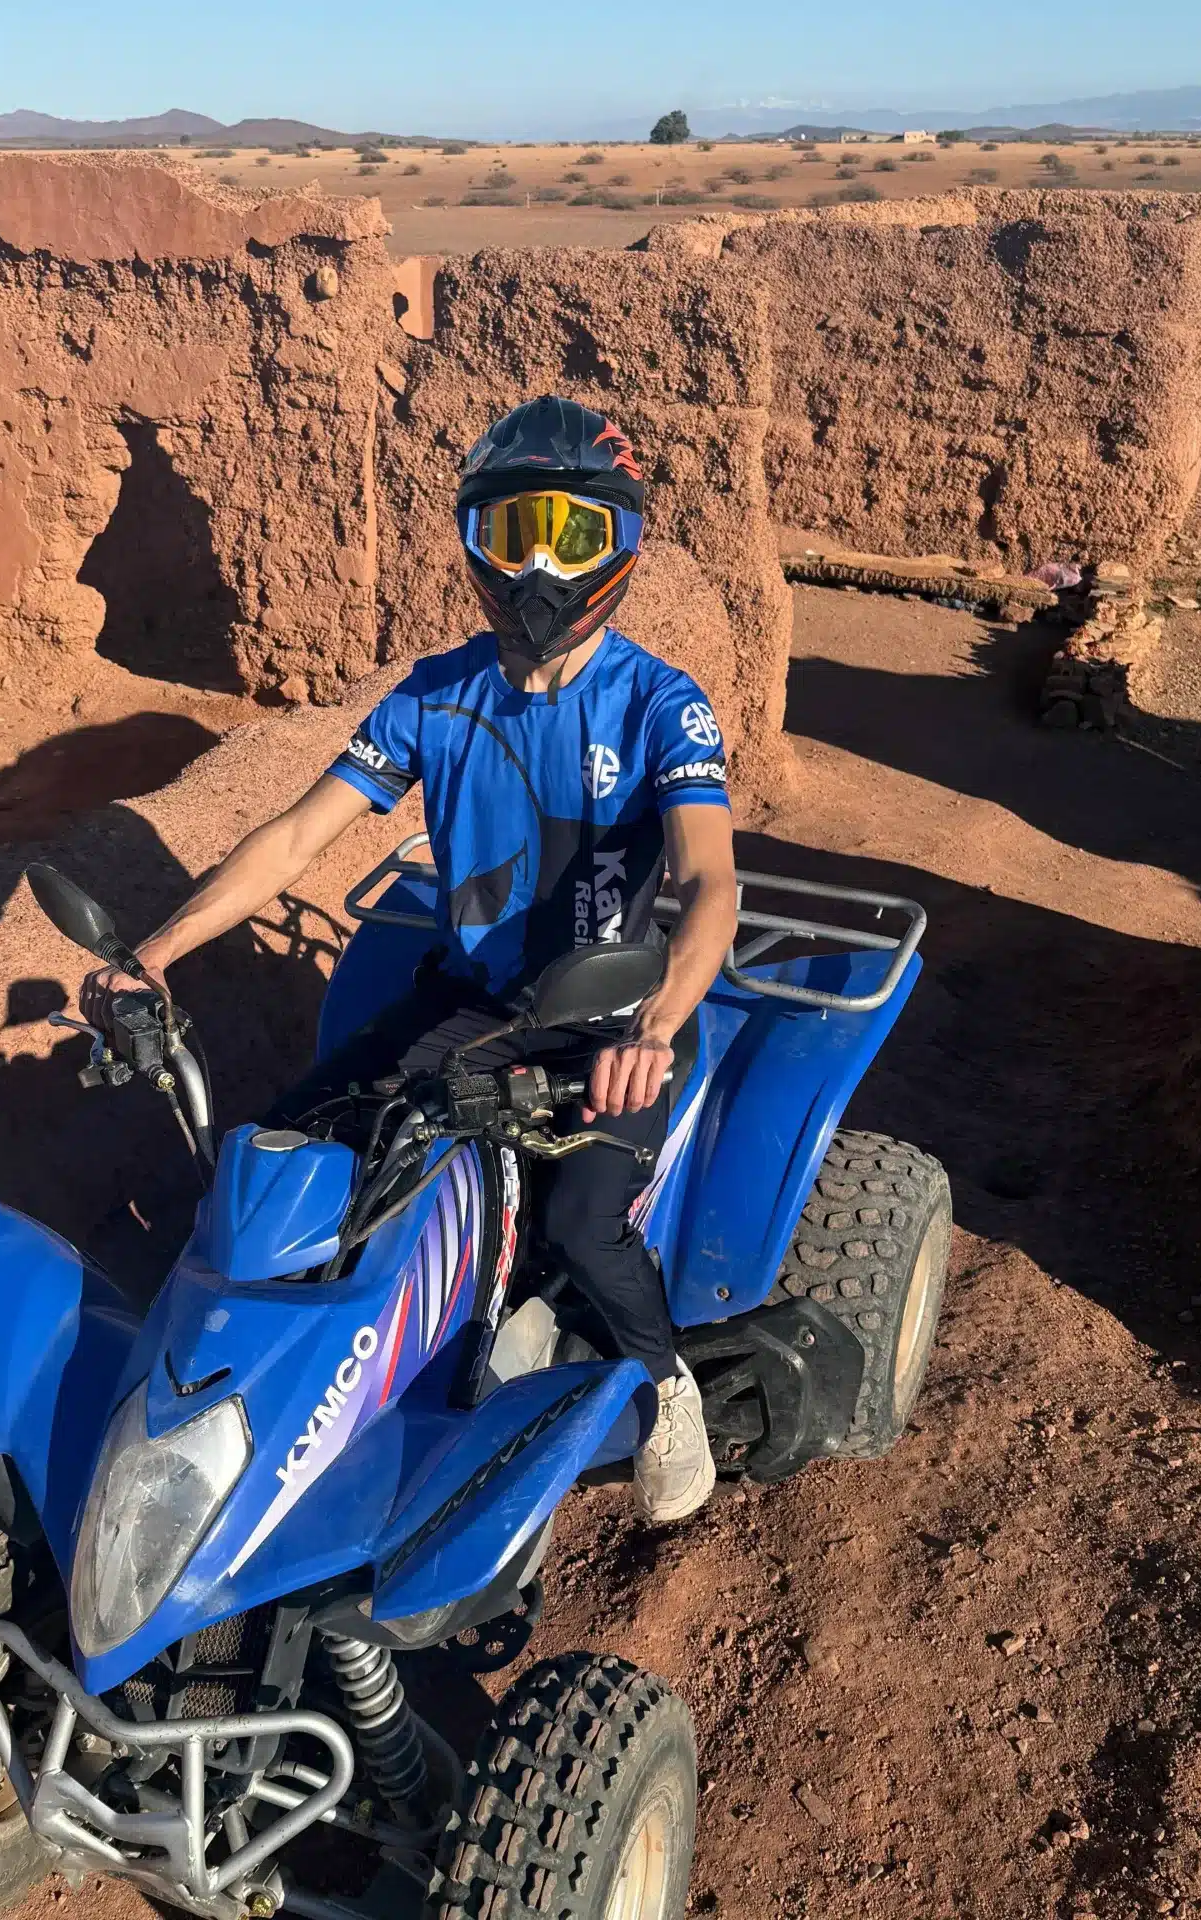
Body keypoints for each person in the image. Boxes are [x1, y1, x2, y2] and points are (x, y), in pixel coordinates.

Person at [83, 395, 737, 1522]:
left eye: (572, 534)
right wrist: (156, 952)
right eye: (511, 530)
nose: (539, 563)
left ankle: (668, 1382)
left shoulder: (660, 706)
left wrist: (656, 1024)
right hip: (474, 1005)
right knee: (289, 1146)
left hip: (610, 1018)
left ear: (622, 544)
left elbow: (711, 882)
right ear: (473, 541)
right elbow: (295, 837)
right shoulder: (436, 695)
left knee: (586, 1217)